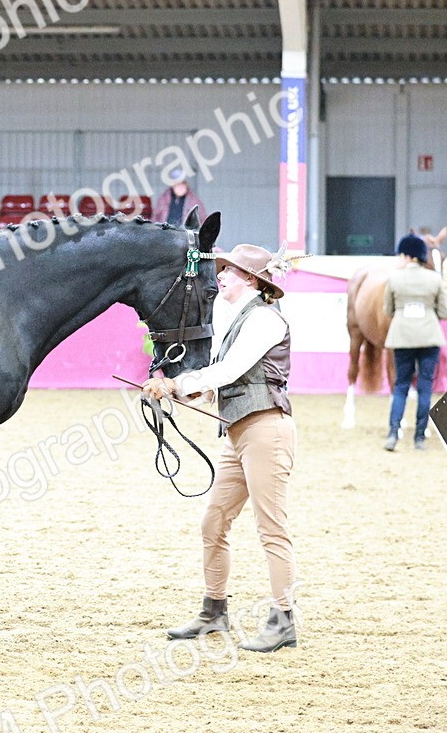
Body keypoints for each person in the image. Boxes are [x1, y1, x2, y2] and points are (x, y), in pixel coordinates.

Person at [143, 243, 298, 653]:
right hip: (239, 433)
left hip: (265, 431)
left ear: (251, 279)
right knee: (213, 523)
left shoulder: (265, 319)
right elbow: (223, 381)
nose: (222, 276)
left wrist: (177, 382)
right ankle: (214, 611)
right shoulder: (240, 319)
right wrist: (180, 393)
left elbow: (229, 370)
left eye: (229, 271)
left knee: (272, 529)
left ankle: (283, 620)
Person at [382, 233, 447, 452]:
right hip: (429, 337)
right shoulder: (434, 279)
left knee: (401, 386)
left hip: (402, 337)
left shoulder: (394, 278)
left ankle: (393, 434)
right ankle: (419, 437)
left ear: (406, 255)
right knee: (425, 387)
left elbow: (388, 310)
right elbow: (445, 312)